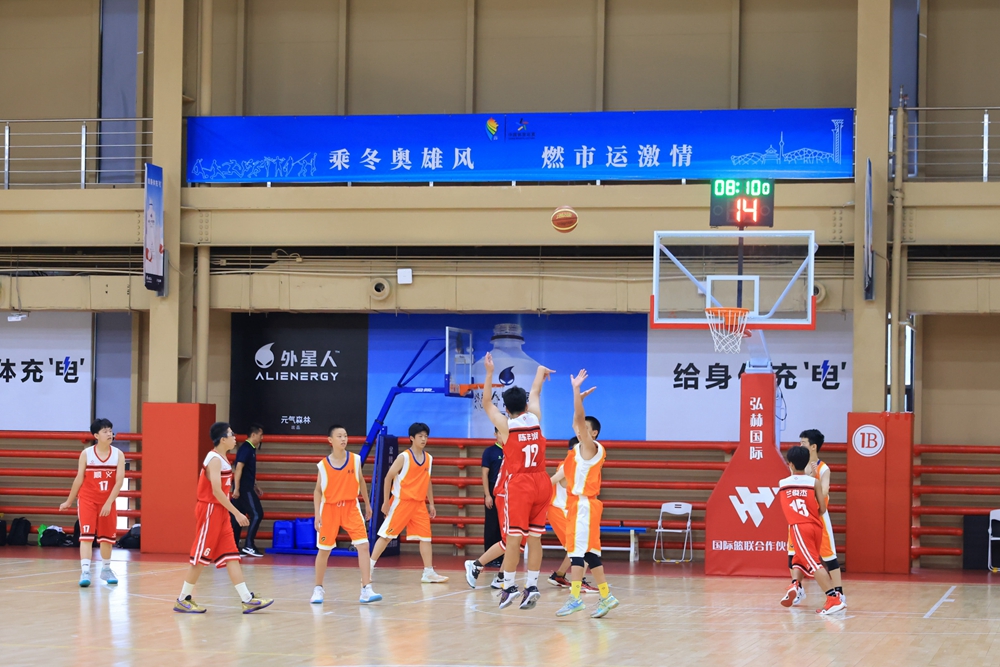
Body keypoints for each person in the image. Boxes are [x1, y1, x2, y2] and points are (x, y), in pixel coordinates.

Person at [173, 422, 272, 614]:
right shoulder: (214, 459)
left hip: (221, 512)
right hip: (210, 510)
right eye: (231, 434)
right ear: (222, 439)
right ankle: (183, 599)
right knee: (200, 558)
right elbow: (216, 491)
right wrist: (236, 512)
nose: (235, 437)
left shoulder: (224, 458)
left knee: (232, 555)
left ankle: (247, 599)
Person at [481, 351, 554, 611]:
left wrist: (490, 373)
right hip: (542, 481)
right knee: (535, 538)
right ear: (524, 404)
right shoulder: (534, 417)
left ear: (507, 408)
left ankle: (509, 587)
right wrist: (540, 371)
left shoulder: (506, 426)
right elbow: (536, 392)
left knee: (513, 539)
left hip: (521, 484)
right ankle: (532, 586)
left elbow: (486, 403)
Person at [552, 370, 619, 618]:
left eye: (583, 429)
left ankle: (575, 598)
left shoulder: (591, 448)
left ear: (594, 433)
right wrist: (578, 400)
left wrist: (576, 393)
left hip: (583, 505)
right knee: (590, 553)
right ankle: (606, 596)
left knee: (577, 553)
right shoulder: (579, 449)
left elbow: (579, 419)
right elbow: (576, 421)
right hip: (582, 506)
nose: (578, 430)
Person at [311, 424, 381, 604]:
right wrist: (317, 514)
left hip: (351, 507)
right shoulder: (323, 465)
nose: (343, 439)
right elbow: (317, 490)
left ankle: (366, 588)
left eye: (345, 436)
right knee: (324, 550)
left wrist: (367, 504)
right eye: (339, 436)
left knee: (363, 546)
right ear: (330, 440)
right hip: (329, 509)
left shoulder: (355, 459)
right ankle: (318, 588)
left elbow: (361, 481)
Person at [370, 422, 449, 583]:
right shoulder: (404, 457)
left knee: (426, 538)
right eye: (420, 436)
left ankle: (428, 572)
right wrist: (385, 502)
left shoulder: (429, 458)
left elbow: (427, 481)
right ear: (412, 438)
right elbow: (387, 477)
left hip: (419, 504)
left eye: (426, 436)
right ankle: (368, 568)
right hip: (402, 502)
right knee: (386, 536)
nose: (424, 439)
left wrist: (431, 503)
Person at [778, 445, 846, 615]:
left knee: (814, 563)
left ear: (790, 464)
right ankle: (796, 585)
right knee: (798, 560)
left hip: (799, 526)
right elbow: (822, 508)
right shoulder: (814, 482)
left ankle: (834, 598)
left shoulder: (783, 483)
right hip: (816, 525)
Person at [59, 418, 126, 587]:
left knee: (107, 538)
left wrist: (109, 502)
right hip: (88, 500)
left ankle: (106, 569)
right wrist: (69, 501)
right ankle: (85, 571)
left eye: (110, 430)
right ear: (96, 435)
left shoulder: (118, 454)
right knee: (86, 536)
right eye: (105, 431)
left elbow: (119, 482)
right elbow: (79, 479)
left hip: (107, 501)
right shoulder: (87, 454)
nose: (109, 434)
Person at [547, 436, 596, 594]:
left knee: (578, 546)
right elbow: (550, 482)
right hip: (559, 510)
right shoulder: (567, 466)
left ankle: (559, 575)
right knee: (582, 547)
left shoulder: (580, 466)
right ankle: (579, 582)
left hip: (570, 511)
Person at [231, 423, 265, 558]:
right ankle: (249, 545)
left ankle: (233, 546)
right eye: (260, 435)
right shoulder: (246, 448)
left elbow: (248, 471)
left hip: (246, 486)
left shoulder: (251, 449)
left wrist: (255, 485)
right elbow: (238, 468)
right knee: (257, 514)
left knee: (237, 517)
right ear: (254, 435)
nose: (262, 438)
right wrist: (237, 488)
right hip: (244, 488)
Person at [480, 427, 505, 566]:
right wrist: (487, 495)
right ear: (495, 434)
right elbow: (485, 474)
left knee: (504, 525)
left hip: (507, 491)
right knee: (492, 525)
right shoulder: (490, 451)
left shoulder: (511, 450)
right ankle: (489, 558)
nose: (503, 435)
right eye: (500, 432)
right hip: (493, 490)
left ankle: (502, 558)